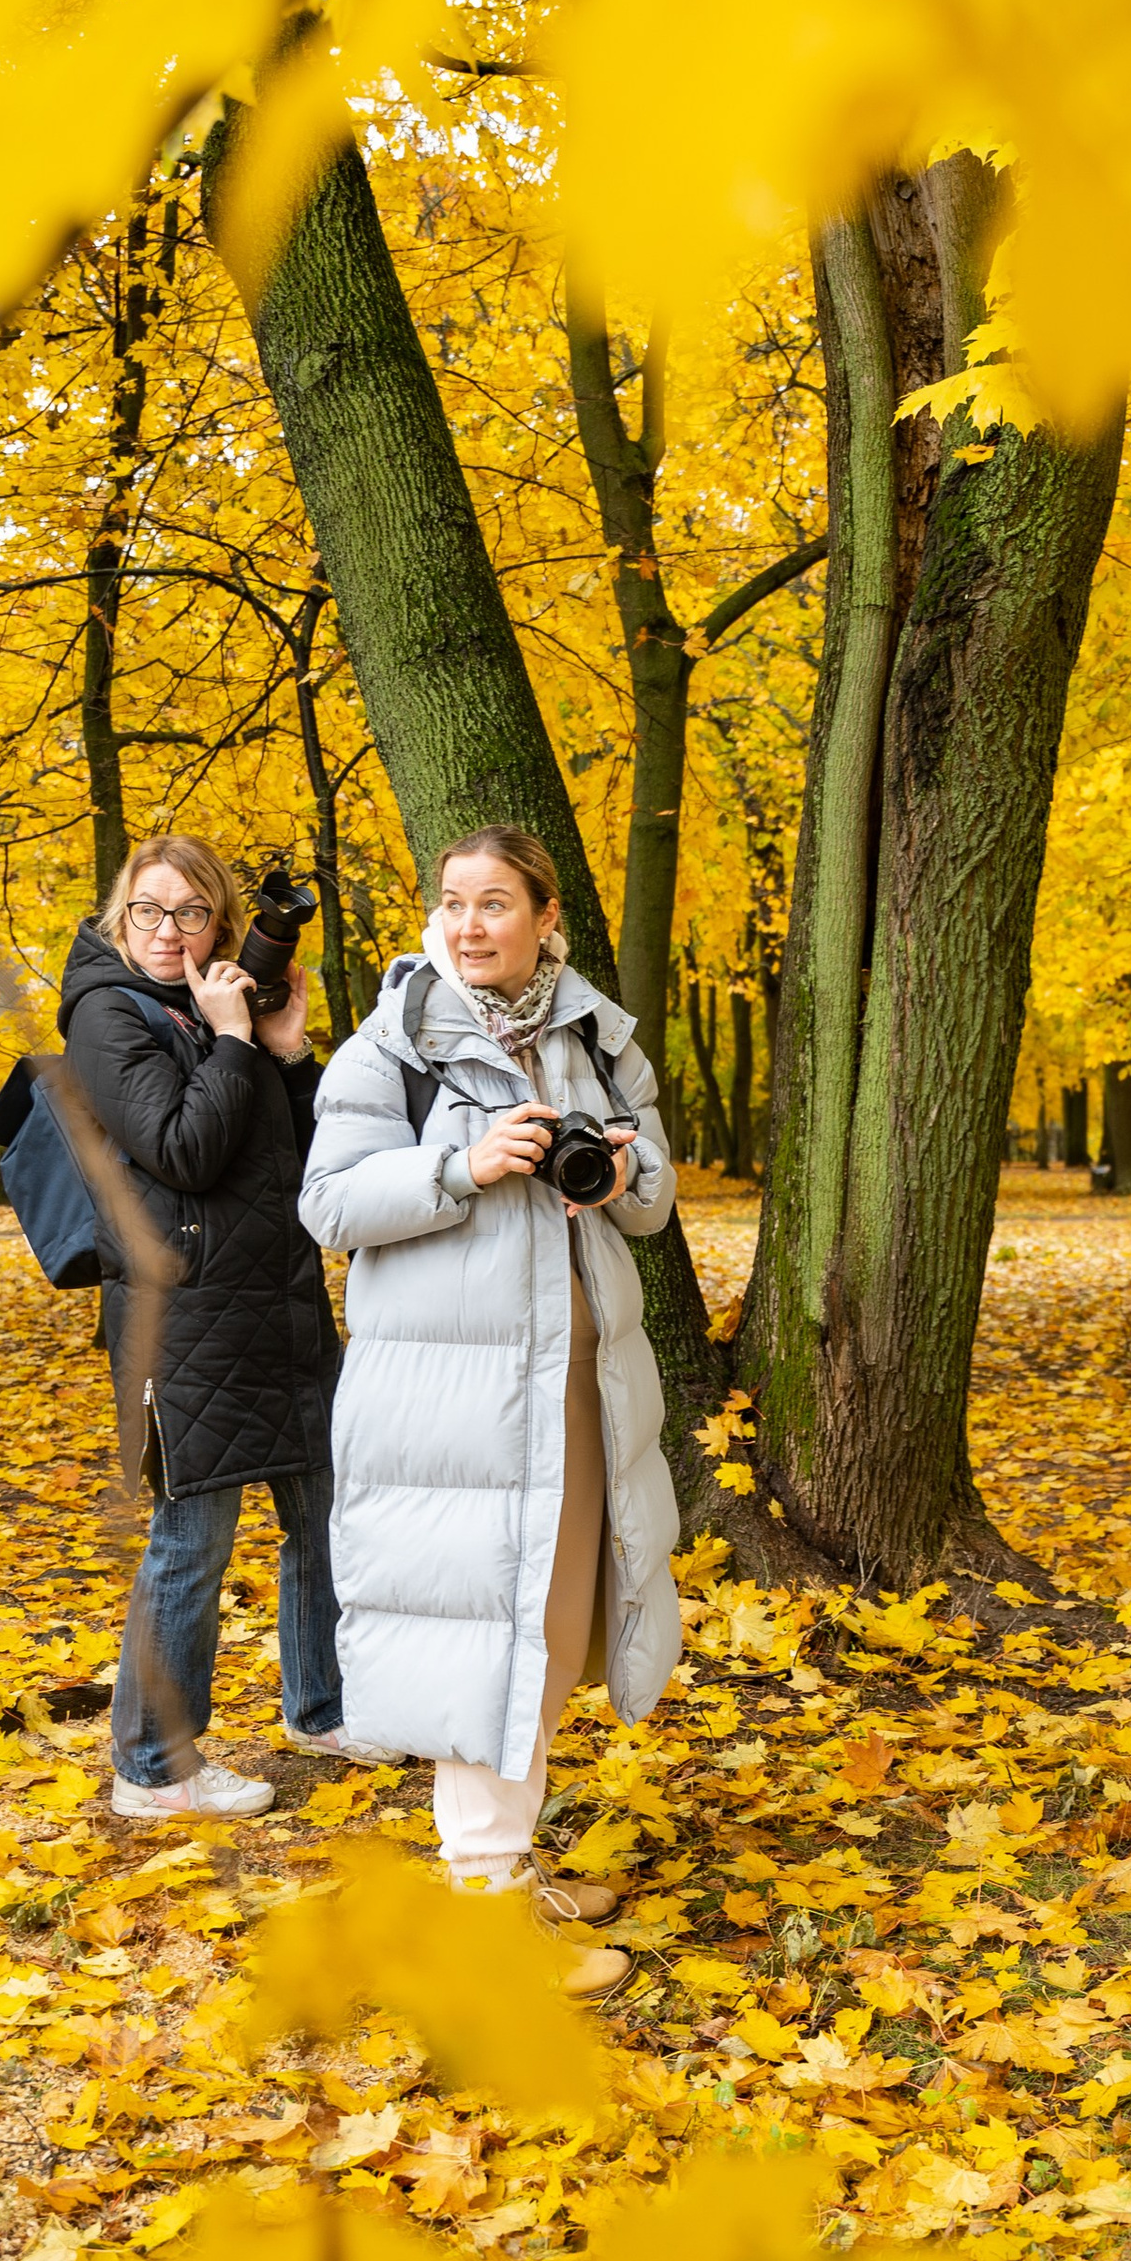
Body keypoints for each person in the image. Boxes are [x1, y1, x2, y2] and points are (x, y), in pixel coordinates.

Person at [298, 827, 682, 2000]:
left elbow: (654, 1198)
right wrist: (462, 1166)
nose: (470, 925)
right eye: (455, 902)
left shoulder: (595, 1036)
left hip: (576, 1388)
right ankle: (483, 1905)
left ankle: (506, 1867)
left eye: (496, 903)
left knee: (545, 1629)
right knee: (479, 1634)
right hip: (453, 1401)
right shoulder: (394, 1042)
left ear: (544, 916)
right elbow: (329, 1204)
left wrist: (621, 1173)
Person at [61, 834, 347, 1822]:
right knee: (193, 1536)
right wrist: (230, 1040)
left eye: (190, 912)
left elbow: (307, 1158)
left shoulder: (216, 1009)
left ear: (218, 924)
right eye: (149, 909)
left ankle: (324, 1708)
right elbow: (182, 1150)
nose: (167, 930)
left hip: (279, 1303)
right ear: (120, 917)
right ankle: (152, 1766)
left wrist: (286, 1050)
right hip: (185, 1320)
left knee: (324, 1511)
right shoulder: (107, 1015)